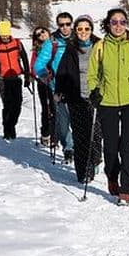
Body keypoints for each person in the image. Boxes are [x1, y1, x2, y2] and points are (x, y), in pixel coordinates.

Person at [88, 8, 129, 206]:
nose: (118, 25)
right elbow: (92, 75)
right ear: (108, 24)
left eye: (122, 22)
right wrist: (94, 91)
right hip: (107, 101)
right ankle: (112, 175)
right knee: (110, 147)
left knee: (127, 146)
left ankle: (125, 190)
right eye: (114, 22)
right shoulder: (100, 47)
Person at [54, 14, 102, 183]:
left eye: (86, 29)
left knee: (96, 135)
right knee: (81, 136)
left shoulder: (100, 46)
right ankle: (83, 172)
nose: (83, 32)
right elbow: (62, 71)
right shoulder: (71, 47)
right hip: (76, 97)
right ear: (75, 30)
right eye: (80, 29)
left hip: (97, 97)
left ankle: (95, 159)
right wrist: (59, 90)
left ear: (91, 30)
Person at [34, 12, 75, 163]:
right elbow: (38, 65)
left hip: (78, 87)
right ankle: (68, 148)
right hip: (58, 88)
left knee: (78, 121)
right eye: (61, 25)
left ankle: (80, 148)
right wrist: (45, 76)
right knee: (62, 123)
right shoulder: (52, 43)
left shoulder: (79, 39)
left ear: (71, 23)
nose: (65, 28)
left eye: (67, 24)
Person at [0, 20, 30, 140]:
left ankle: (11, 125)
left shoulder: (17, 43)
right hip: (3, 80)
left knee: (18, 104)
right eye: (2, 34)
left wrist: (27, 76)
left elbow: (25, 59)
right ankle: (7, 130)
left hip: (16, 78)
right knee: (8, 105)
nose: (5, 37)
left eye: (6, 34)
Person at [30, 26, 54, 146]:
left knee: (55, 109)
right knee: (46, 108)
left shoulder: (57, 44)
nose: (42, 35)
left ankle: (54, 134)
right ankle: (45, 133)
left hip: (56, 81)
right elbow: (33, 66)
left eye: (43, 32)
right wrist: (38, 75)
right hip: (43, 82)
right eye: (38, 34)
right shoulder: (37, 50)